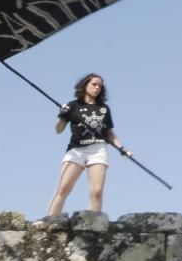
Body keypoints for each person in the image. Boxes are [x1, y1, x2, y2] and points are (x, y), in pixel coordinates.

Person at [47, 73, 132, 216]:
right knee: (63, 188)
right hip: (76, 150)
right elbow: (58, 130)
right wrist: (63, 115)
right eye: (94, 84)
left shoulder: (104, 108)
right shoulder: (72, 105)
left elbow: (109, 133)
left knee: (96, 191)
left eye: (100, 86)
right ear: (85, 85)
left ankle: (94, 225)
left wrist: (122, 148)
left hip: (98, 149)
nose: (97, 88)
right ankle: (49, 222)